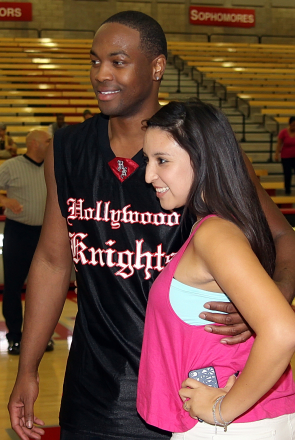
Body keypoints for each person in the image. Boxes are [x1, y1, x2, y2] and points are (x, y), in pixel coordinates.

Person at [7, 11, 295, 440]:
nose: (101, 73)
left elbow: (282, 236)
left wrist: (268, 302)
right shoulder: (67, 150)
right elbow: (52, 262)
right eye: (94, 60)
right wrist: (27, 369)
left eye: (118, 61)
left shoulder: (195, 152)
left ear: (157, 67)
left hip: (188, 386)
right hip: (94, 388)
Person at [137, 99, 295, 439]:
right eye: (148, 161)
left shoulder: (215, 233)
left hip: (230, 426)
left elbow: (282, 330)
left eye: (161, 160)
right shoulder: (217, 228)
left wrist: (222, 409)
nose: (149, 175)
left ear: (202, 158)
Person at [0, 130, 53, 355]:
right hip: (18, 233)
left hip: (46, 234)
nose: (51, 143)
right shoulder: (11, 166)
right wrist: (6, 200)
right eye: (47, 140)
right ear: (33, 144)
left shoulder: (52, 166)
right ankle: (15, 337)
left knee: (44, 289)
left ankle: (42, 338)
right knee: (12, 287)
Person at [275, 116, 295, 195]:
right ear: (289, 124)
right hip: (286, 157)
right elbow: (279, 144)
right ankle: (287, 190)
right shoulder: (283, 132)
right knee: (287, 173)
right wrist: (277, 154)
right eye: (293, 125)